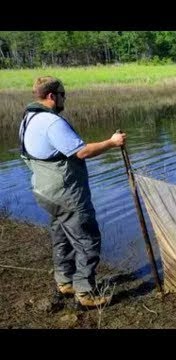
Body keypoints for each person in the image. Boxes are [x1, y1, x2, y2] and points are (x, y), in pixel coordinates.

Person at [18, 76, 126, 307]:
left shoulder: (27, 119)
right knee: (88, 240)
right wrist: (112, 142)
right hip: (66, 194)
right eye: (63, 94)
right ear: (51, 96)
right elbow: (82, 152)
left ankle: (65, 281)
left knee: (61, 237)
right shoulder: (52, 122)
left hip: (44, 192)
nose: (64, 98)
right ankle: (85, 293)